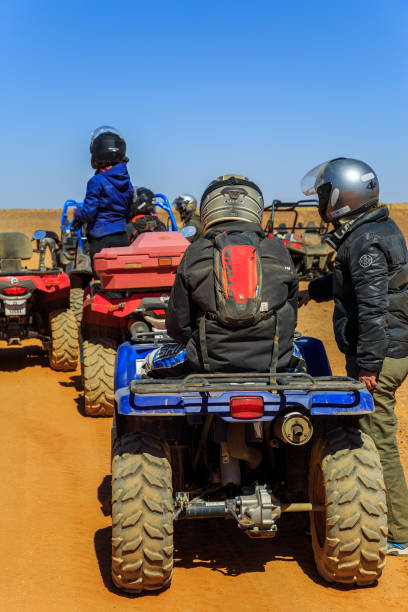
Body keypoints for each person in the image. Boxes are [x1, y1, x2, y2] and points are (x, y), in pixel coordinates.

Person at [298, 157, 408, 557]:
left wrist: (368, 368)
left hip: (381, 352)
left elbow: (374, 306)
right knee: (365, 433)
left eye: (326, 194)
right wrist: (314, 290)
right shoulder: (371, 229)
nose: (322, 202)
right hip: (384, 346)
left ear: (344, 196)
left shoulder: (364, 241)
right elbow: (352, 280)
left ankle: (399, 532)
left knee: (376, 439)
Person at [143, 174, 298, 378]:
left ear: (209, 209)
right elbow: (291, 317)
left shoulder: (195, 252)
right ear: (255, 208)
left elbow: (177, 327)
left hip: (207, 364)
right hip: (274, 361)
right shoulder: (278, 250)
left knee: (147, 363)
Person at [73, 126, 133, 277]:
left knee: (103, 281)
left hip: (101, 239)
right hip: (121, 236)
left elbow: (89, 212)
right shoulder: (127, 181)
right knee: (121, 280)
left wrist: (77, 213)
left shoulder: (96, 181)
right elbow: (128, 209)